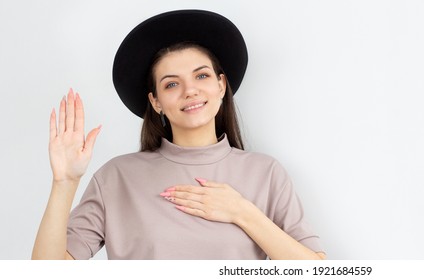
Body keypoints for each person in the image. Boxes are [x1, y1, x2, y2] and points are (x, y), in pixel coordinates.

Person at [32, 10, 325, 260]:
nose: (190, 90)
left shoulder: (266, 173)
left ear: (222, 85)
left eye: (201, 76)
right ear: (156, 100)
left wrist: (241, 212)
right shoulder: (116, 178)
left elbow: (318, 272)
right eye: (172, 84)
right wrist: (65, 182)